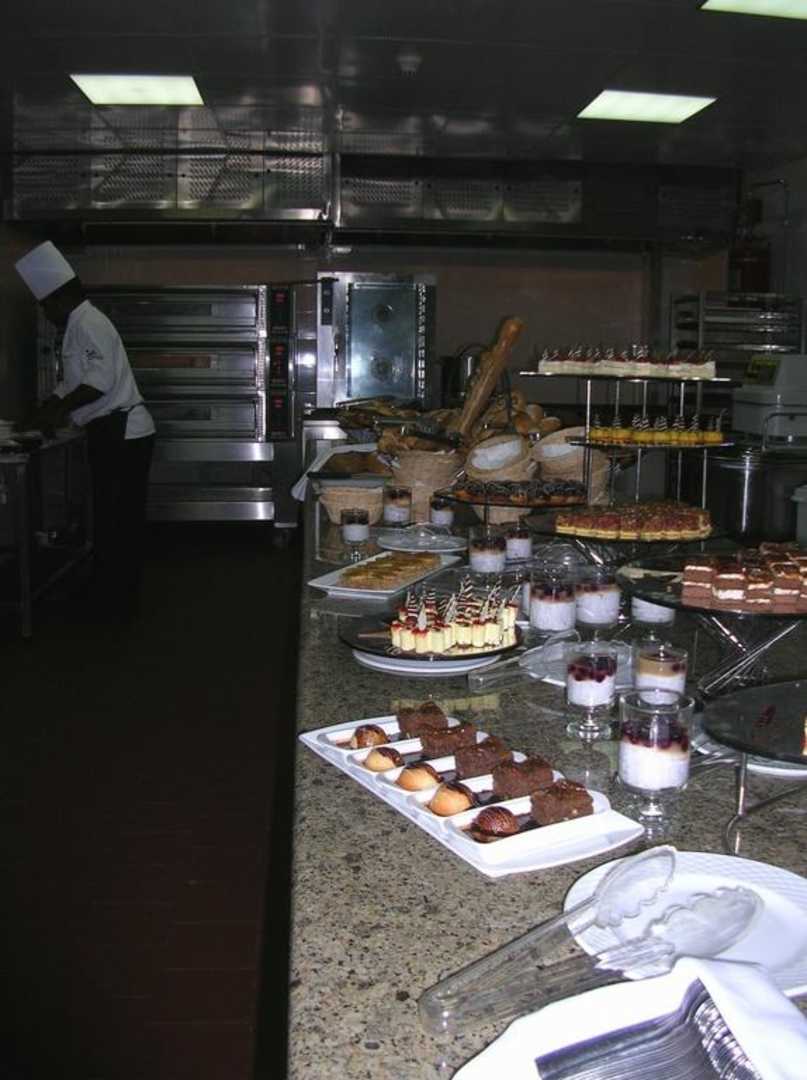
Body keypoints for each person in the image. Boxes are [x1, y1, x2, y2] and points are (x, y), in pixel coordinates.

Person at [15, 241, 156, 622]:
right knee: (108, 517)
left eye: (46, 306)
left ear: (61, 297)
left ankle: (117, 600)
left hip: (125, 433)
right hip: (111, 431)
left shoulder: (89, 322)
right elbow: (74, 381)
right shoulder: (77, 325)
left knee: (119, 520)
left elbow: (100, 382)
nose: (46, 314)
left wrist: (57, 412)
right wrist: (46, 406)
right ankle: (107, 591)